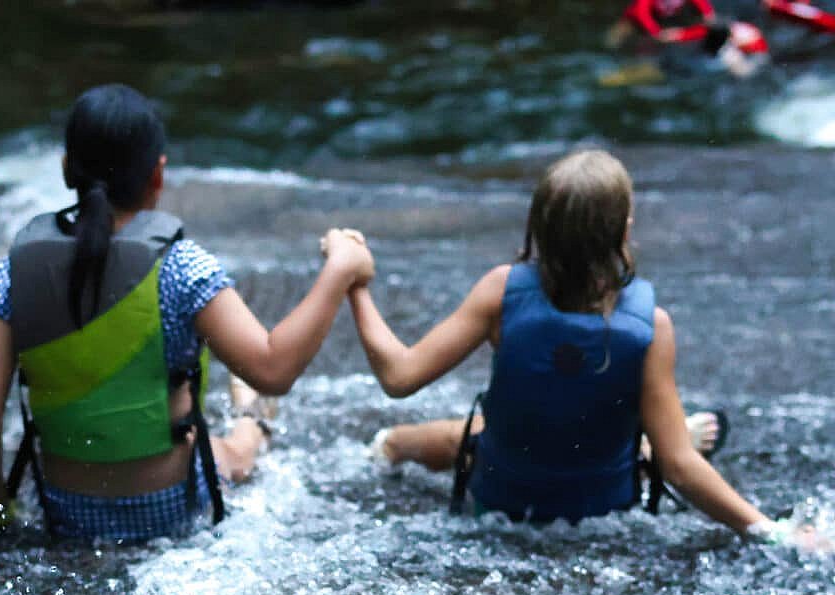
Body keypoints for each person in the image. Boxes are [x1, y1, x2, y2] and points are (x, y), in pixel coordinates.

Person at [343, 149, 825, 551]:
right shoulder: (650, 327)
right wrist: (775, 532)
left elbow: (399, 376)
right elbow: (680, 468)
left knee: (479, 435)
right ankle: (651, 441)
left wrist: (355, 285)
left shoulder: (499, 293)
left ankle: (390, 444)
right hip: (600, 507)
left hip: (499, 502)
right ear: (624, 230)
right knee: (649, 438)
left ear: (539, 227)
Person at [0, 84, 373, 543]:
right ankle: (251, 425)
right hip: (171, 509)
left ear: (65, 169)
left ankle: (248, 422)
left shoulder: (15, 273)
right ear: (157, 176)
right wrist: (339, 270)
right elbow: (273, 368)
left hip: (66, 511)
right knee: (236, 451)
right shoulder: (180, 267)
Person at [606, 0, 717, 48]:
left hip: (663, 22)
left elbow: (708, 15)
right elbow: (641, 11)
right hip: (635, 21)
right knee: (614, 38)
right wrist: (655, 33)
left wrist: (679, 35)